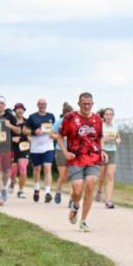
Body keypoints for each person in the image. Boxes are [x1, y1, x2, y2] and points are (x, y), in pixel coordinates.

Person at [57, 93, 106, 232]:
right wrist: (65, 152)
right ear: (79, 104)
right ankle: (75, 205)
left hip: (93, 157)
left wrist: (102, 150)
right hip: (75, 158)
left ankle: (83, 221)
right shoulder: (70, 118)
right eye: (84, 104)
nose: (86, 106)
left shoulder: (97, 119)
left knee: (90, 185)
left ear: (92, 104)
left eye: (89, 104)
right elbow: (60, 136)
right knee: (77, 191)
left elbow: (100, 137)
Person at [26, 98, 57, 203]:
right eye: (40, 104)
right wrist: (34, 132)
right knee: (37, 169)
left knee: (47, 168)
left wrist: (53, 134)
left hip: (48, 147)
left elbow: (55, 131)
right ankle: (37, 189)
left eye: (44, 104)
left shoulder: (51, 116)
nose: (42, 105)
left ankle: (47, 192)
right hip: (36, 148)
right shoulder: (32, 117)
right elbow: (25, 130)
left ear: (46, 105)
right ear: (37, 105)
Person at [96, 107, 121, 208]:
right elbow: (99, 140)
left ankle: (109, 200)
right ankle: (99, 189)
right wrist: (107, 139)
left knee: (110, 176)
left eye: (110, 114)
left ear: (113, 116)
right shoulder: (101, 126)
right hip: (103, 152)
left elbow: (117, 137)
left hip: (112, 152)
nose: (108, 116)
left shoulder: (115, 126)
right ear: (104, 116)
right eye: (107, 114)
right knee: (101, 176)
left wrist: (118, 140)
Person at [52, 102, 73, 205]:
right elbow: (51, 134)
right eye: (67, 114)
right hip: (60, 150)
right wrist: (61, 137)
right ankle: (58, 191)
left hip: (72, 150)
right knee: (63, 175)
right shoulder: (59, 122)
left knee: (72, 175)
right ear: (64, 114)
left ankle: (72, 198)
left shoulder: (75, 122)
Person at [9, 103, 31, 198]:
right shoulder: (11, 122)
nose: (20, 110)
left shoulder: (27, 122)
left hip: (24, 147)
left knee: (23, 168)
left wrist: (30, 137)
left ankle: (21, 190)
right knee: (13, 171)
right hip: (13, 148)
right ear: (15, 111)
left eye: (21, 108)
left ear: (24, 110)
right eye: (17, 109)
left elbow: (31, 132)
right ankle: (12, 182)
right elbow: (4, 134)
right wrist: (11, 139)